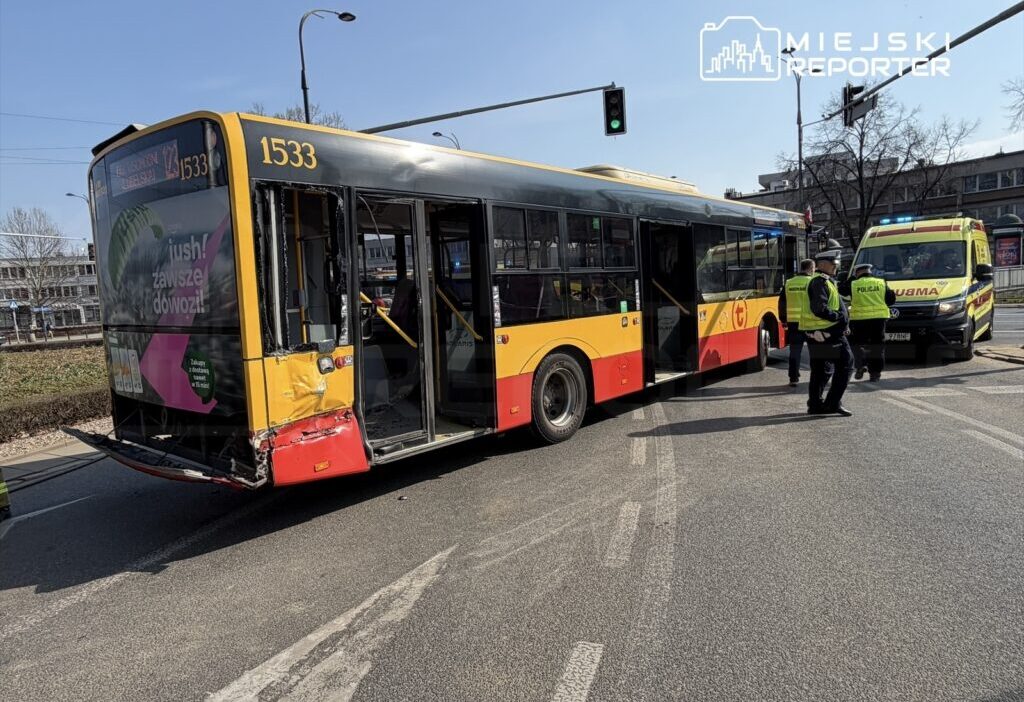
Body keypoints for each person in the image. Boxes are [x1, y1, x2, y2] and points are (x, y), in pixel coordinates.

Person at [802, 249, 854, 416]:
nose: (836, 267)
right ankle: (832, 403)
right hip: (829, 335)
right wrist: (839, 317)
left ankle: (815, 404)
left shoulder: (824, 281)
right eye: (833, 264)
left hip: (820, 334)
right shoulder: (820, 282)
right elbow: (819, 309)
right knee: (846, 365)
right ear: (822, 264)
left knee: (821, 370)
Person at [840, 262, 896, 381]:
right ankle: (875, 374)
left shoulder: (853, 283)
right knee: (877, 346)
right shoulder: (881, 282)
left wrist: (851, 278)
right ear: (870, 271)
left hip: (859, 320)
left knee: (856, 344)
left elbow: (841, 290)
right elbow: (891, 300)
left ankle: (861, 365)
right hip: (879, 320)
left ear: (857, 272)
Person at [778, 258, 816, 387]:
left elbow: (782, 302)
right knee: (815, 351)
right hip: (812, 323)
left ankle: (793, 377)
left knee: (795, 351)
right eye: (814, 268)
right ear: (811, 268)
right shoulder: (813, 281)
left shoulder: (789, 283)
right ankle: (817, 377)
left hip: (793, 323)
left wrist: (783, 319)